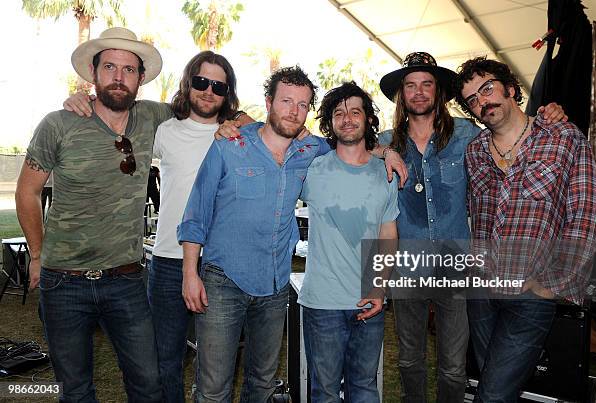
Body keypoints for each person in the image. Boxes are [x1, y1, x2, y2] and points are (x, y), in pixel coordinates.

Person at [63, 50, 252, 403]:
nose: (208, 91)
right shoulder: (164, 130)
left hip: (220, 263)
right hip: (168, 262)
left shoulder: (237, 135)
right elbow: (113, 118)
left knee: (217, 365)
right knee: (165, 359)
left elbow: (279, 131)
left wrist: (243, 119)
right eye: (200, 82)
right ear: (188, 82)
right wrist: (83, 100)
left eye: (218, 85)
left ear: (228, 92)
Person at [376, 51, 567, 403]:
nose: (419, 92)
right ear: (402, 94)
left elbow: (512, 130)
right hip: (408, 265)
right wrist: (383, 151)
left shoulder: (467, 135)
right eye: (410, 86)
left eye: (427, 84)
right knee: (409, 358)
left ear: (439, 92)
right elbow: (348, 143)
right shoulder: (387, 139)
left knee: (452, 364)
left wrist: (548, 114)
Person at [15, 27, 173, 401]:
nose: (119, 77)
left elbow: (206, 109)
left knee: (148, 384)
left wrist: (241, 118)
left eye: (129, 70)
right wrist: (36, 255)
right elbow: (27, 191)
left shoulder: (157, 118)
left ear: (141, 78)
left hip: (126, 280)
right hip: (62, 282)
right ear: (93, 72)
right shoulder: (59, 123)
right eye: (110, 67)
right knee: (75, 389)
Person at [178, 66, 332, 402]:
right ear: (268, 102)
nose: (294, 110)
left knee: (262, 382)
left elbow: (353, 151)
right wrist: (190, 273)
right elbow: (196, 212)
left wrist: (385, 151)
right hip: (223, 282)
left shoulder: (311, 151)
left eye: (303, 105)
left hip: (276, 285)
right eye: (286, 101)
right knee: (213, 386)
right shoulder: (229, 144)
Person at [455, 56, 596, 402]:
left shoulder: (563, 137)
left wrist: (552, 284)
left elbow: (586, 214)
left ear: (510, 88)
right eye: (472, 99)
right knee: (493, 383)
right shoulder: (475, 151)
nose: (482, 102)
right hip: (483, 291)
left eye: (487, 88)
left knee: (492, 394)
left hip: (531, 293)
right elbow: (475, 215)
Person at [298, 81, 399, 402]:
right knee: (324, 391)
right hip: (321, 303)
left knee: (365, 388)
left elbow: (388, 236)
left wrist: (379, 289)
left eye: (356, 111)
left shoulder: (385, 173)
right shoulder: (312, 170)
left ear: (369, 119)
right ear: (329, 122)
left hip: (368, 301)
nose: (347, 118)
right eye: (339, 113)